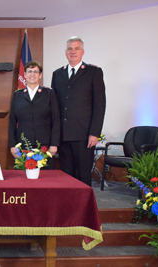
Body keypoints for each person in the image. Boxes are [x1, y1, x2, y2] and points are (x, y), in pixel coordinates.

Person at [51, 36, 106, 186]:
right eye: (70, 49)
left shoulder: (93, 72)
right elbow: (54, 107)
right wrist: (54, 134)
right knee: (66, 175)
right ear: (65, 52)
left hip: (84, 135)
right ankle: (68, 206)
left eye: (76, 48)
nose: (73, 52)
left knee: (83, 174)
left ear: (82, 52)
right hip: (63, 134)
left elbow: (99, 105)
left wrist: (95, 132)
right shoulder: (58, 74)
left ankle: (83, 207)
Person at [9, 61, 60, 169]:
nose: (32, 74)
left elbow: (56, 120)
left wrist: (54, 144)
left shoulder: (49, 93)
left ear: (40, 75)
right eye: (29, 71)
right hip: (22, 145)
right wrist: (13, 145)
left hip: (45, 145)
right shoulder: (17, 95)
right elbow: (12, 122)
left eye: (35, 71)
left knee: (45, 179)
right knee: (24, 180)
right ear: (25, 75)